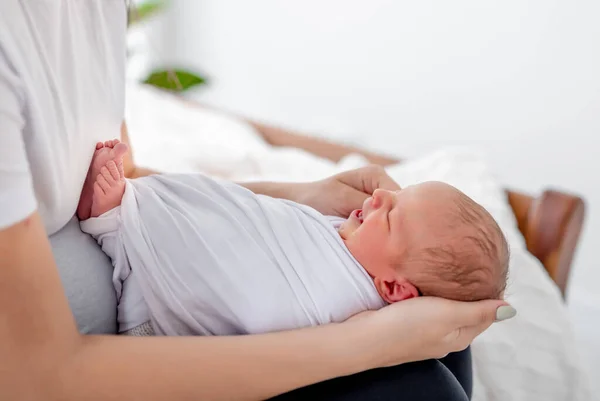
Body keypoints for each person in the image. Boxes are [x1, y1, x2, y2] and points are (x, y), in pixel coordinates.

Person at [0, 1, 516, 400]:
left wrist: (302, 197)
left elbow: (134, 178)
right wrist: (372, 341)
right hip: (84, 371)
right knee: (422, 387)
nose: (380, 198)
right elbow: (37, 378)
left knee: (448, 334)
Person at [78, 141, 509, 337]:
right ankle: (129, 215)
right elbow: (253, 218)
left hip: (162, 328)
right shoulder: (344, 239)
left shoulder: (341, 294)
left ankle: (120, 219)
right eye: (395, 195)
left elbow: (255, 292)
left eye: (392, 216)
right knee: (224, 212)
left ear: (393, 288)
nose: (379, 193)